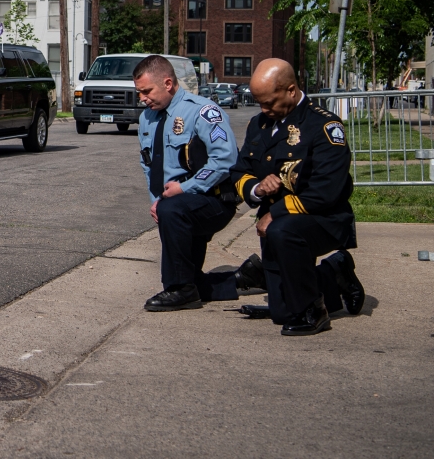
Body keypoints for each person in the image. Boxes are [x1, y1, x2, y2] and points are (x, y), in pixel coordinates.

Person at [231, 58, 365, 336]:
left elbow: (326, 191)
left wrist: (275, 212)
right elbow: (240, 170)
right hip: (276, 226)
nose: (263, 109)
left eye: (268, 102)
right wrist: (258, 187)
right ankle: (334, 273)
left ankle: (313, 311)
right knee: (281, 312)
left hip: (322, 219)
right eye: (259, 102)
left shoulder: (324, 126)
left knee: (283, 230)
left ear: (291, 90)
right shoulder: (259, 124)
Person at [134, 55, 261, 312]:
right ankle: (247, 277)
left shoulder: (203, 111)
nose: (142, 98)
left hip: (211, 201)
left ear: (168, 83)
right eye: (139, 92)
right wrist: (155, 200)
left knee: (172, 211)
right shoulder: (146, 119)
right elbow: (149, 165)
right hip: (177, 207)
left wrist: (184, 188)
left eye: (146, 91)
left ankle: (179, 290)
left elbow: (225, 159)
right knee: (194, 279)